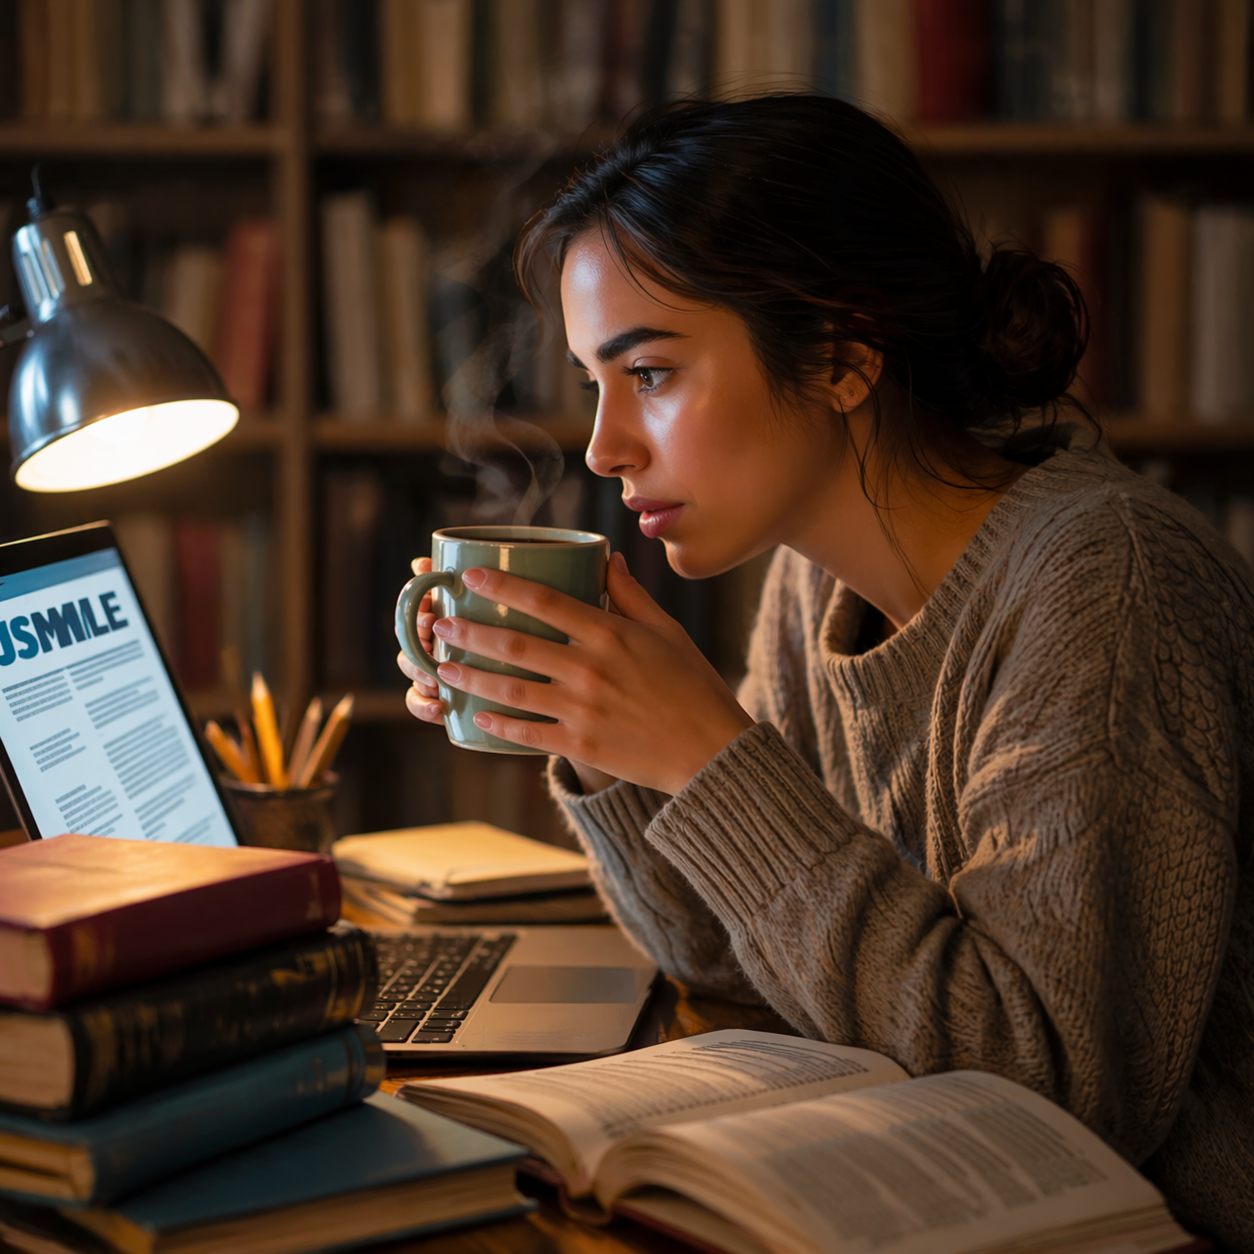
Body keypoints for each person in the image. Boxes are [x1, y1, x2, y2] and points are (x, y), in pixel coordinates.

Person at [397, 96, 1254, 1248]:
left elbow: (1049, 1095)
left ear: (842, 358)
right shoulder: (816, 580)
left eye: (646, 374)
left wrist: (709, 752)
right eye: (596, 386)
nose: (605, 447)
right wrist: (601, 735)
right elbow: (731, 956)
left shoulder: (1104, 584)